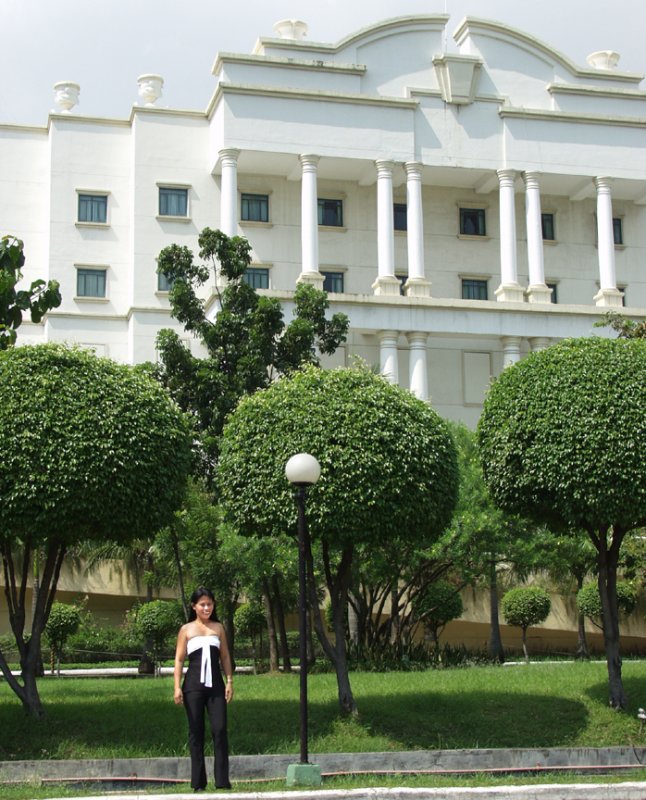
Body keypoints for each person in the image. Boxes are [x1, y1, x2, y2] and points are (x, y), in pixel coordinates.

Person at [174, 587, 234, 791]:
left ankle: (222, 781)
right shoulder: (186, 629)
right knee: (196, 731)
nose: (206, 607)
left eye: (209, 604)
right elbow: (179, 659)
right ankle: (198, 782)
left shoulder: (218, 628)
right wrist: (176, 687)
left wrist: (229, 681)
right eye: (202, 604)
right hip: (193, 686)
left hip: (216, 686)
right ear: (194, 607)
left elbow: (225, 656)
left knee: (219, 730)